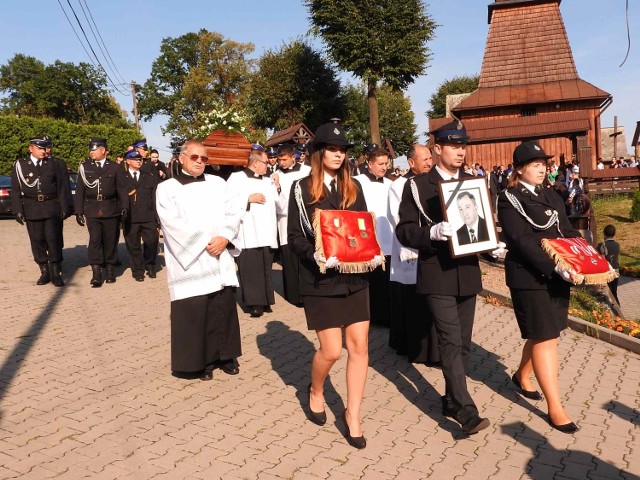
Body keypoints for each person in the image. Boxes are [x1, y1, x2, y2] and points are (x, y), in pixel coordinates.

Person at [396, 119, 490, 435]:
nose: (460, 151)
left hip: (467, 274)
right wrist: (430, 233)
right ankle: (466, 410)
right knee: (449, 341)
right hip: (437, 275)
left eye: (463, 145)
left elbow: (482, 224)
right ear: (437, 149)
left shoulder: (474, 182)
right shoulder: (417, 185)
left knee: (463, 344)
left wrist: (491, 243)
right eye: (453, 145)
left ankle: (450, 400)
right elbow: (404, 230)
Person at [288, 120, 370, 449]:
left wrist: (366, 250)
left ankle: (353, 414)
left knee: (360, 348)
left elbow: (362, 229)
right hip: (321, 279)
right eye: (332, 149)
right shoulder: (301, 188)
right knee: (332, 350)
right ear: (319, 152)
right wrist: (319, 256)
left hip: (355, 277)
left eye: (343, 150)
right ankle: (316, 389)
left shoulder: (355, 188)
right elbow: (294, 238)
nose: (339, 155)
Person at [497, 141, 582, 434]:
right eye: (535, 164)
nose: (541, 168)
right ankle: (555, 406)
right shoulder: (509, 197)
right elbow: (521, 240)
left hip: (559, 274)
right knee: (545, 337)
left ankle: (521, 374)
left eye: (543, 164)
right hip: (529, 276)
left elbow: (566, 230)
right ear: (519, 169)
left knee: (545, 332)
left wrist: (583, 257)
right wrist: (554, 265)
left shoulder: (550, 193)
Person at [156, 140, 243, 380]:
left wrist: (225, 237)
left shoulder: (218, 183)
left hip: (219, 254)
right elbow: (171, 223)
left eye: (204, 159)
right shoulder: (167, 188)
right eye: (194, 157)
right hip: (192, 259)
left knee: (222, 305)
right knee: (197, 309)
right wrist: (204, 243)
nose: (199, 162)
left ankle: (226, 356)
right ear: (181, 158)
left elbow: (233, 212)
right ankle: (201, 362)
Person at [387, 144, 440, 364]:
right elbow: (396, 217)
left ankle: (433, 349)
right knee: (411, 301)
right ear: (410, 162)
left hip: (431, 247)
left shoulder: (432, 181)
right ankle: (413, 348)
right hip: (409, 248)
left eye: (430, 158)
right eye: (424, 159)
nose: (429, 162)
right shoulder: (399, 185)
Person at [11, 136, 71, 287]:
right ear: (30, 148)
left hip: (51, 206)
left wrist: (65, 207)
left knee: (53, 239)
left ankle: (55, 270)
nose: (44, 151)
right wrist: (17, 210)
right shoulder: (20, 165)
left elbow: (63, 188)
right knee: (37, 240)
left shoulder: (55, 164)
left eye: (45, 148)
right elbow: (16, 189)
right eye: (40, 148)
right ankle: (44, 270)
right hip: (31, 207)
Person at [226, 148, 279, 317]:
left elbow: (278, 204)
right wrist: (247, 199)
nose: (268, 166)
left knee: (265, 267)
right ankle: (254, 303)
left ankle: (265, 300)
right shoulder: (236, 178)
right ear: (255, 163)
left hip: (266, 231)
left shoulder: (267, 180)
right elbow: (227, 202)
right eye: (265, 163)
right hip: (248, 231)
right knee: (250, 269)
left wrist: (277, 187)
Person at [75, 138, 122, 287]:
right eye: (90, 149)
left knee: (110, 240)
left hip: (111, 208)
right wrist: (78, 211)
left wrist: (124, 208)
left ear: (103, 150)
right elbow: (80, 190)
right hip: (92, 208)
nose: (91, 152)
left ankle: (110, 270)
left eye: (94, 149)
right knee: (95, 240)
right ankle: (96, 272)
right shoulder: (85, 167)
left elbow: (121, 189)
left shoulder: (115, 167)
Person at [358, 145, 393, 327]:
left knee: (386, 278)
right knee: (371, 279)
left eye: (386, 164)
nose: (384, 167)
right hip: (367, 237)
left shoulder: (391, 184)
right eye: (380, 164)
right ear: (369, 164)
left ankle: (386, 315)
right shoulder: (357, 182)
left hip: (388, 236)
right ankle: (369, 315)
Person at [274, 144, 311, 306]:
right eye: (279, 159)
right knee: (289, 259)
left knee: (305, 256)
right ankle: (293, 295)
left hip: (304, 219)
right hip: (285, 219)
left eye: (284, 159)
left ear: (293, 157)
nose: (281, 162)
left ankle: (308, 292)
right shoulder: (275, 175)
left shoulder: (306, 171)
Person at [117, 150, 160, 281]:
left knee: (152, 242)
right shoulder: (121, 177)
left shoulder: (149, 176)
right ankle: (138, 271)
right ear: (128, 161)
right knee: (133, 246)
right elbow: (120, 195)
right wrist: (123, 210)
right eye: (135, 159)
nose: (138, 161)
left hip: (148, 217)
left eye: (140, 159)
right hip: (131, 217)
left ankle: (150, 265)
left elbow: (154, 197)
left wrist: (157, 216)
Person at [598, 224, 621, 304]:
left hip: (606, 271)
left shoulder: (601, 245)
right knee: (614, 291)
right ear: (614, 234)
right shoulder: (617, 245)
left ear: (604, 233)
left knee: (606, 291)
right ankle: (618, 308)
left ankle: (609, 306)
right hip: (616, 270)